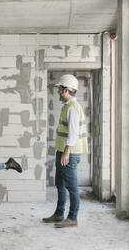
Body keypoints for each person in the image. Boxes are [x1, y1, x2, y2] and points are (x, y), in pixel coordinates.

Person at [42, 74, 88, 228]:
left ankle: (72, 217)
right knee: (60, 184)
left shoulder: (73, 108)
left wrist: (66, 153)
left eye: (59, 89)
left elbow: (73, 134)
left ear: (66, 90)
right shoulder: (68, 106)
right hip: (62, 151)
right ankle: (59, 214)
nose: (58, 92)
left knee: (71, 187)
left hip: (69, 153)